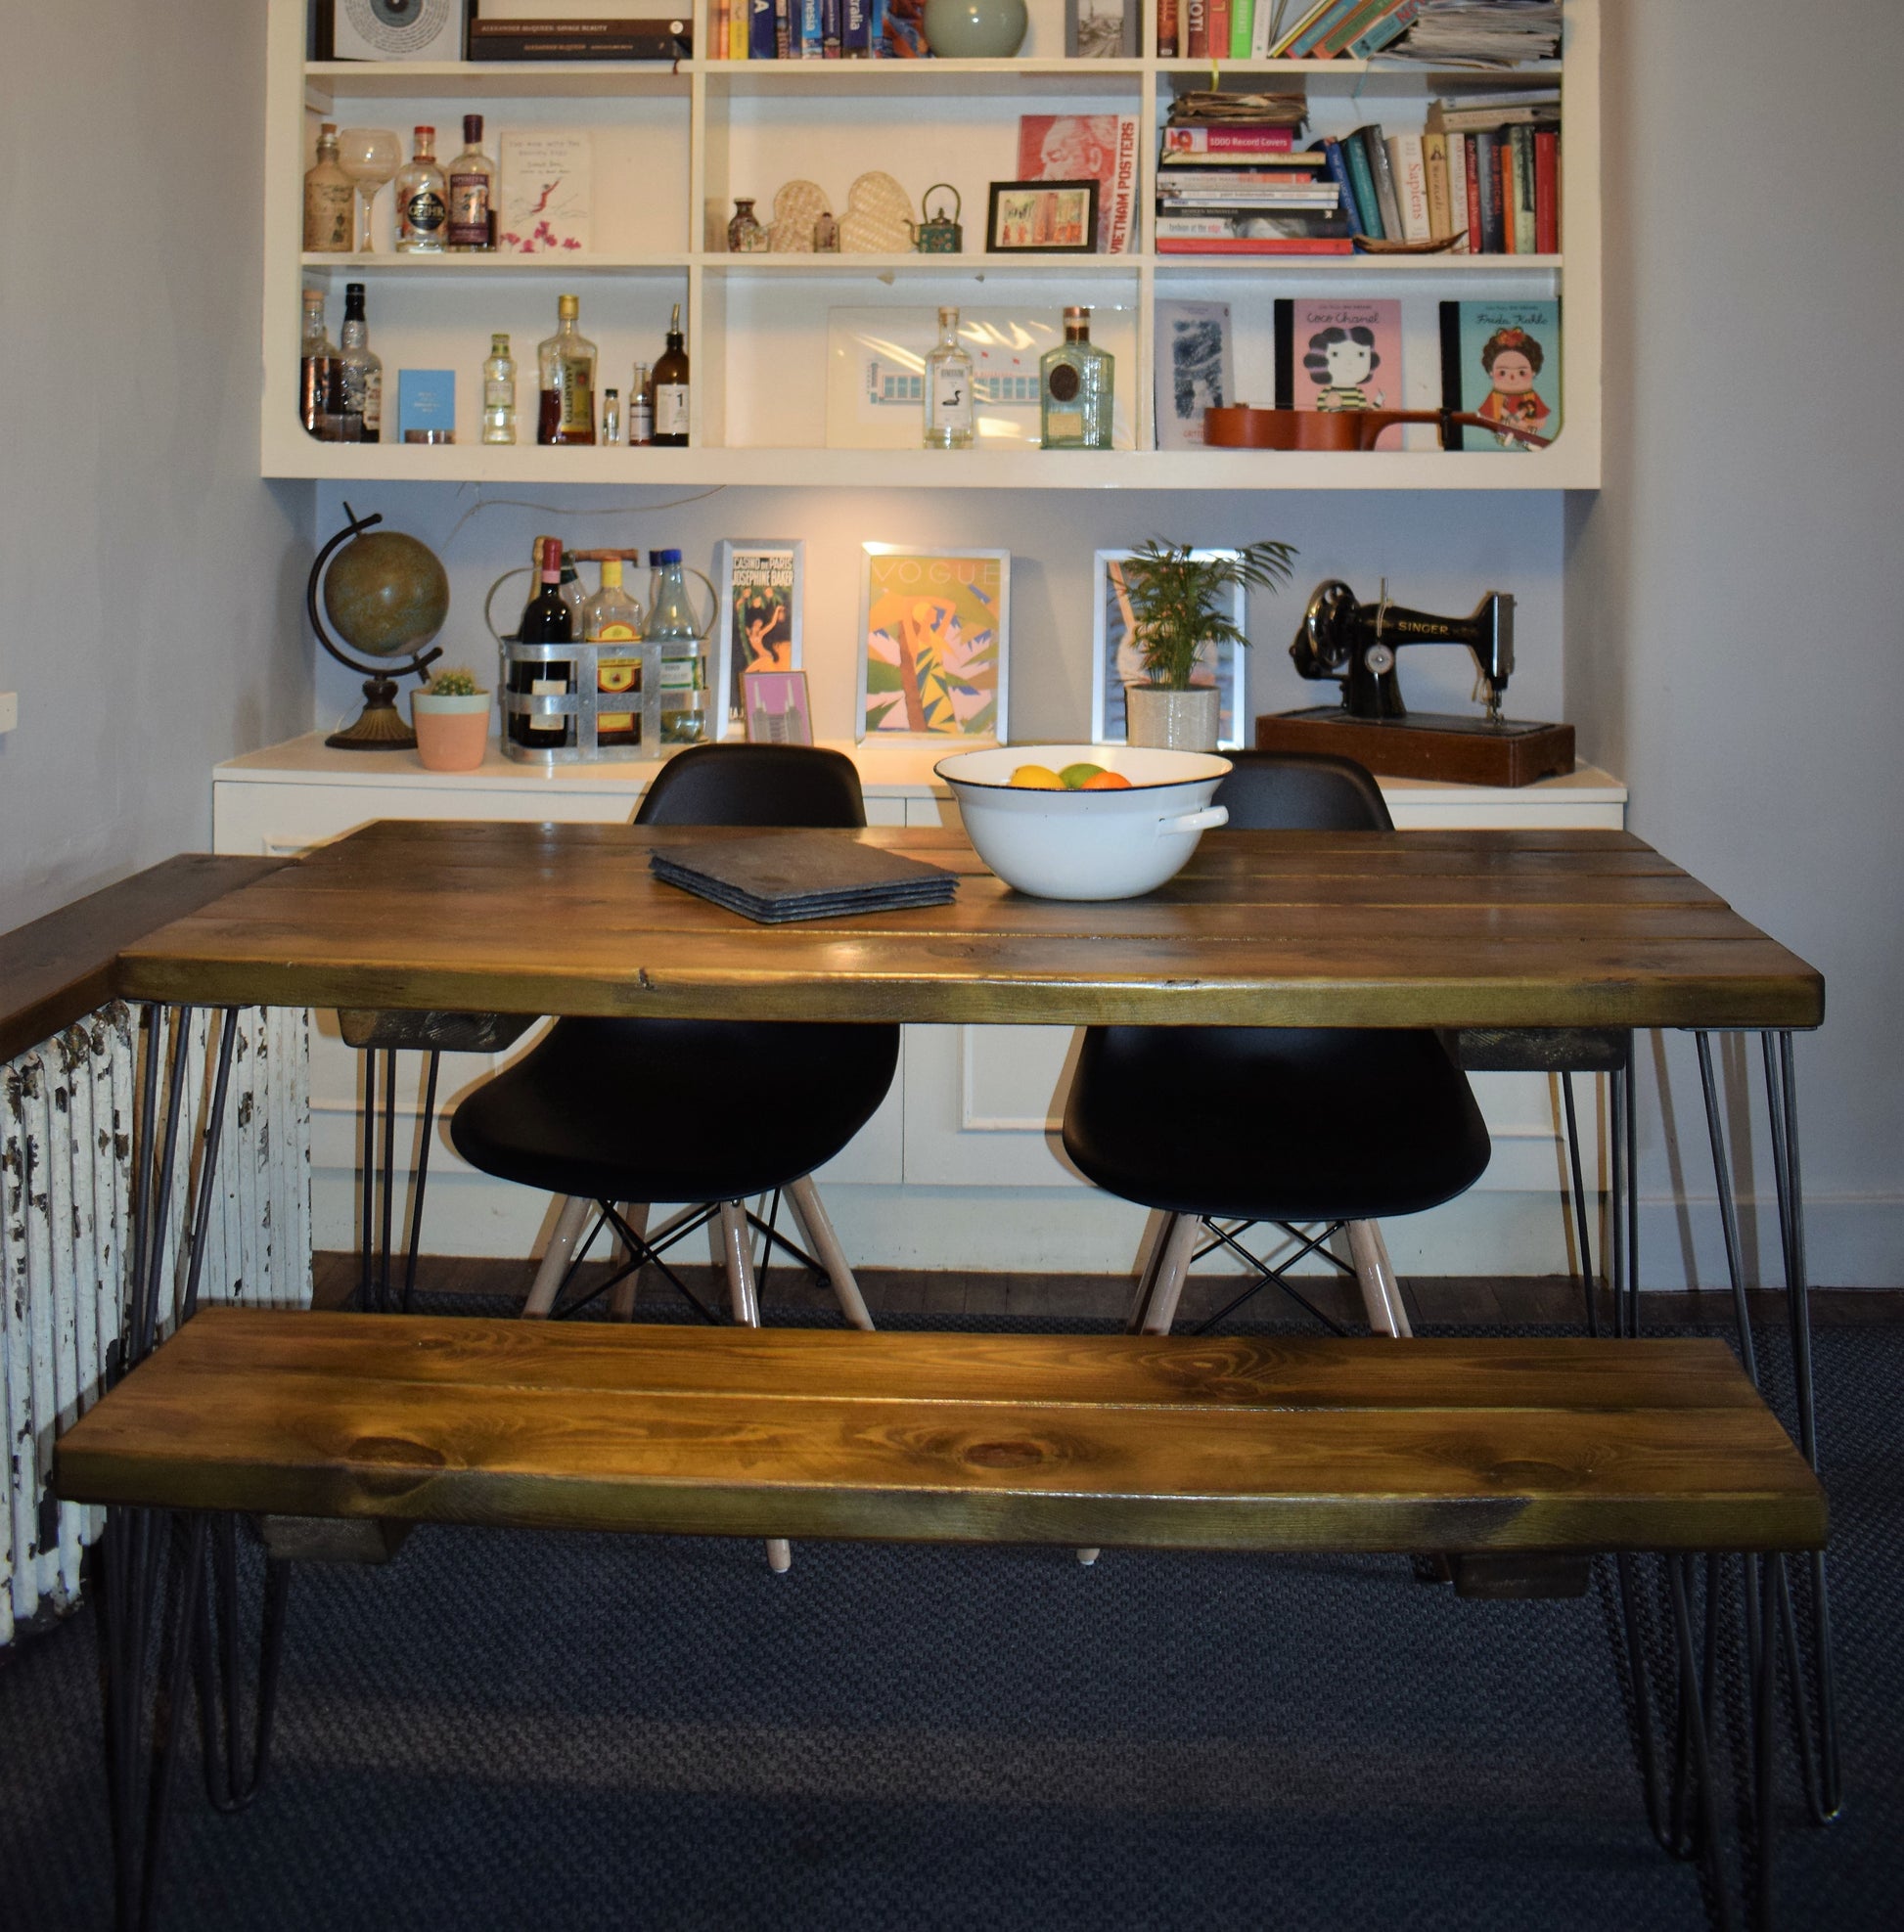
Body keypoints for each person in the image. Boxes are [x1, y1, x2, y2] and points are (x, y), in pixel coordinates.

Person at [1475, 326, 1551, 449]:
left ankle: (1527, 441)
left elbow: (1541, 419)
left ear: (1533, 372)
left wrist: (1526, 425)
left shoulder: (1531, 396)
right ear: (1491, 372)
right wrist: (1504, 421)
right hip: (1504, 428)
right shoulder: (1495, 397)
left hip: (1526, 431)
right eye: (1502, 372)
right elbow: (1485, 417)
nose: (1511, 377)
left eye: (1521, 372)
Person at [1304, 325, 1385, 412]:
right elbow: (1322, 411)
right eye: (1335, 354)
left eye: (1361, 354)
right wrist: (1337, 413)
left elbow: (1363, 414)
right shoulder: (1326, 391)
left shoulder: (1358, 393)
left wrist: (1378, 401)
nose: (1349, 362)